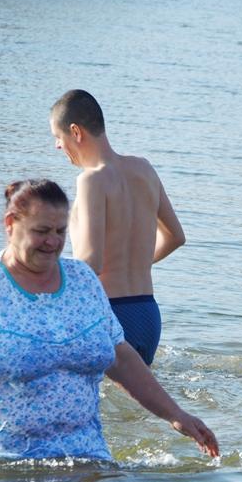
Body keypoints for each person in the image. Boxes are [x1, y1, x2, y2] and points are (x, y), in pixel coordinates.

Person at [0, 178, 218, 460]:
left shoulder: (83, 281)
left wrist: (176, 415)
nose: (52, 242)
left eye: (60, 231)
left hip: (84, 454)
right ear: (11, 224)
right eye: (42, 231)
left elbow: (121, 358)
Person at [50, 90, 184, 366]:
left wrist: (42, 288)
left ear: (75, 132)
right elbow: (175, 236)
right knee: (138, 405)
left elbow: (91, 263)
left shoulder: (91, 181)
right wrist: (134, 265)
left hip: (110, 315)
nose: (57, 146)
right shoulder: (144, 169)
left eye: (57, 137)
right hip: (148, 315)